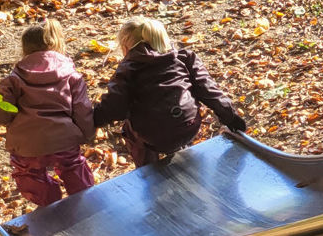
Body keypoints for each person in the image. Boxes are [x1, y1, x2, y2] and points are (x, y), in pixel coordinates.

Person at [0, 20, 96, 207]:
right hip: (64, 140)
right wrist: (88, 134)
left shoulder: (14, 80)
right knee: (73, 166)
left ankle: (49, 207)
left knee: (29, 174)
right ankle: (85, 204)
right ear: (56, 44)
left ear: (25, 49)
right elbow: (82, 109)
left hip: (26, 144)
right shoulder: (72, 76)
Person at [93, 17, 248, 167]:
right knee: (176, 115)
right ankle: (182, 151)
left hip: (153, 136)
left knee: (130, 128)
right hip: (189, 127)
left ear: (126, 47)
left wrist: (93, 119)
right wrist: (231, 118)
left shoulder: (127, 70)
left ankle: (147, 169)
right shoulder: (184, 57)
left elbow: (114, 108)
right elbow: (208, 90)